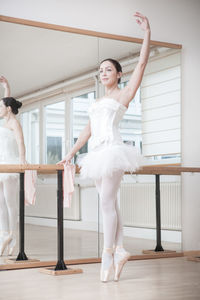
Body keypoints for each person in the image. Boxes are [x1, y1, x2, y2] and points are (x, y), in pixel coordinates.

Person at [58, 12, 150, 282]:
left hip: (112, 152)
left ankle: (107, 254)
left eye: (108, 69)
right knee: (109, 204)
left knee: (107, 205)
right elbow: (87, 131)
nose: (103, 73)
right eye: (100, 71)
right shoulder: (96, 103)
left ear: (119, 74)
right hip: (96, 155)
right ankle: (119, 249)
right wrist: (71, 153)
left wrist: (146, 32)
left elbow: (143, 64)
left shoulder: (124, 94)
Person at [0, 75, 26, 256]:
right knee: (0, 203)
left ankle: (13, 235)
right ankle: (3, 236)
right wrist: (6, 86)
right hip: (1, 163)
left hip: (10, 164)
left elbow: (20, 143)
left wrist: (22, 161)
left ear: (8, 109)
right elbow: (6, 100)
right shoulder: (4, 121)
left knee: (10, 203)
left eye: (0, 107)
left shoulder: (14, 123)